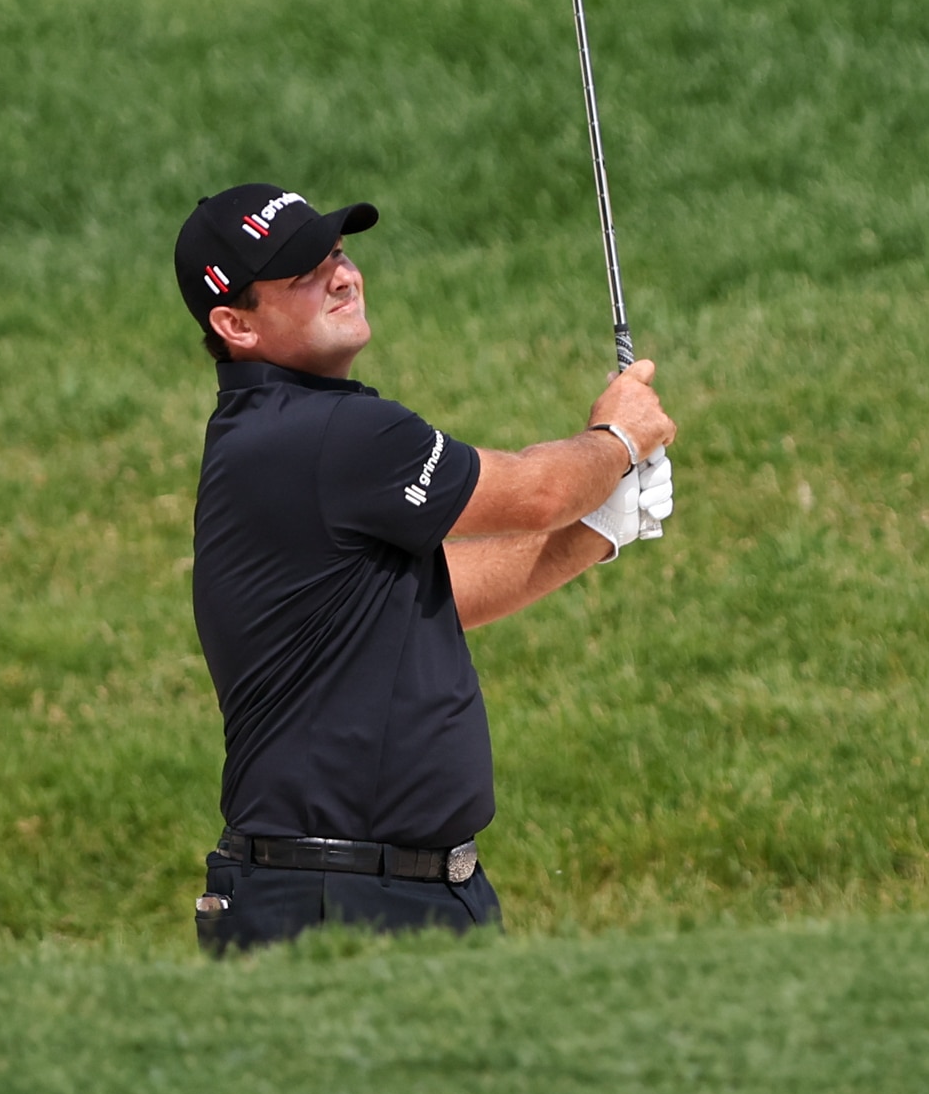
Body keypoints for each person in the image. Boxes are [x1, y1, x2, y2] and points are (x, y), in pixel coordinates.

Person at [171, 182, 676, 953]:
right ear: (235, 322)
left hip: (395, 891)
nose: (342, 275)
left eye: (337, 252)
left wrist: (597, 530)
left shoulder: (285, 436)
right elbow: (538, 490)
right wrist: (618, 437)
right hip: (335, 899)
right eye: (303, 271)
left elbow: (435, 597)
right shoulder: (322, 434)